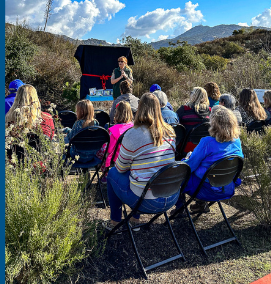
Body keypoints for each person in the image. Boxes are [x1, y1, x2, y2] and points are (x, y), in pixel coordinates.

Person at [105, 93, 177, 231]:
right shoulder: (171, 132)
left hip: (146, 201)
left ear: (139, 109)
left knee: (113, 173)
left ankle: (115, 222)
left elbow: (120, 169)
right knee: (142, 173)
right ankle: (134, 220)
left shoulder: (133, 134)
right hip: (171, 196)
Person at [176, 106, 244, 214]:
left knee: (180, 175)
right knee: (205, 170)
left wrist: (185, 159)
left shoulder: (207, 142)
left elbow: (190, 167)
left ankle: (180, 209)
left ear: (214, 124)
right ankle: (200, 205)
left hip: (206, 190)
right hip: (226, 187)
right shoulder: (236, 141)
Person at [100, 101, 135, 183]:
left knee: (101, 151)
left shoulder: (113, 131)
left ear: (117, 113)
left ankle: (106, 174)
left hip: (117, 159)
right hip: (132, 157)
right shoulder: (134, 128)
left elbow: (109, 150)